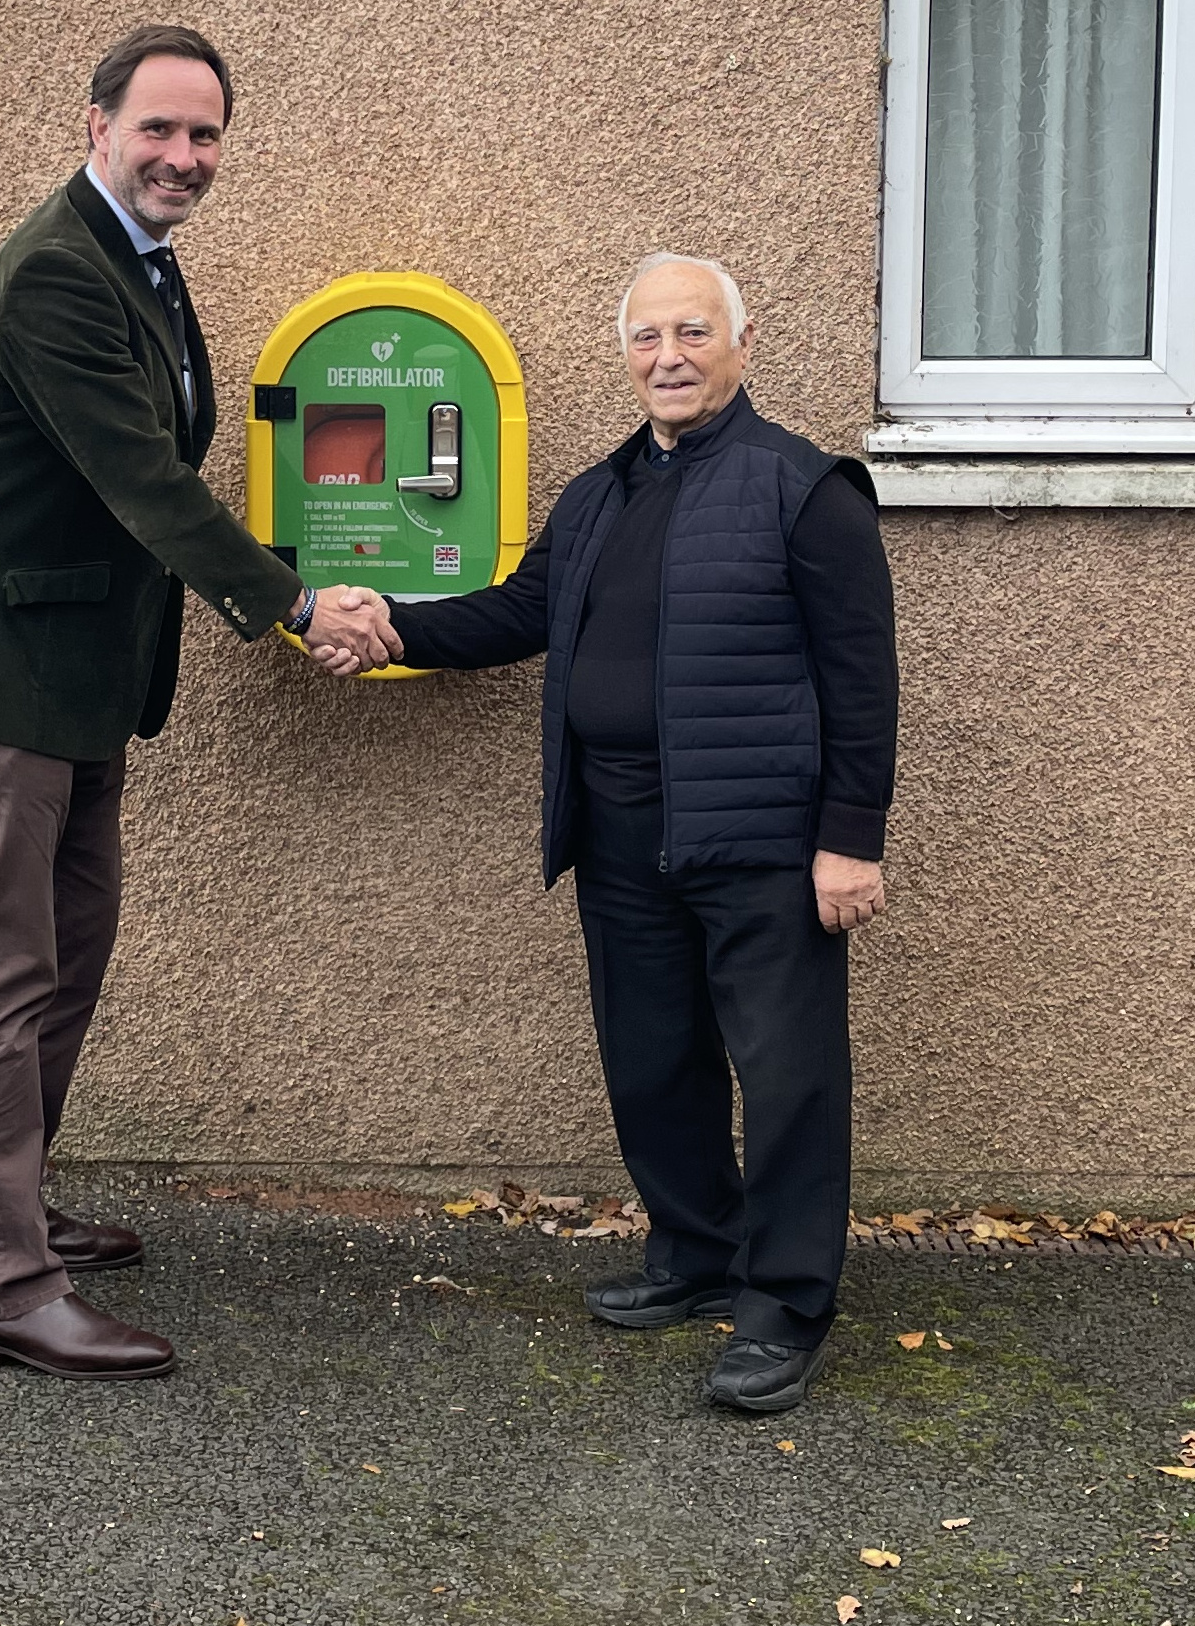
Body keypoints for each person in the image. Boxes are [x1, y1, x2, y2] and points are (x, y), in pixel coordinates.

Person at [0, 25, 400, 1381]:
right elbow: (143, 480)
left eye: (207, 134)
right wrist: (295, 604)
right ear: (97, 124)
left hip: (79, 679)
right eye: (160, 129)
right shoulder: (60, 269)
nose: (184, 155)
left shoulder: (141, 261)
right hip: (1, 675)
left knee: (67, 946)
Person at [323, 253, 896, 1415]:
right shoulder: (597, 495)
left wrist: (851, 837)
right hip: (622, 832)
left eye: (691, 333)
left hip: (760, 842)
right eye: (646, 337)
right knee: (651, 1059)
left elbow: (861, 674)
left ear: (741, 345)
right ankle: (694, 1257)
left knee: (786, 1078)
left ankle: (783, 1304)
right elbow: (522, 613)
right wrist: (392, 631)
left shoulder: (803, 487)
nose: (668, 358)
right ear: (624, 353)